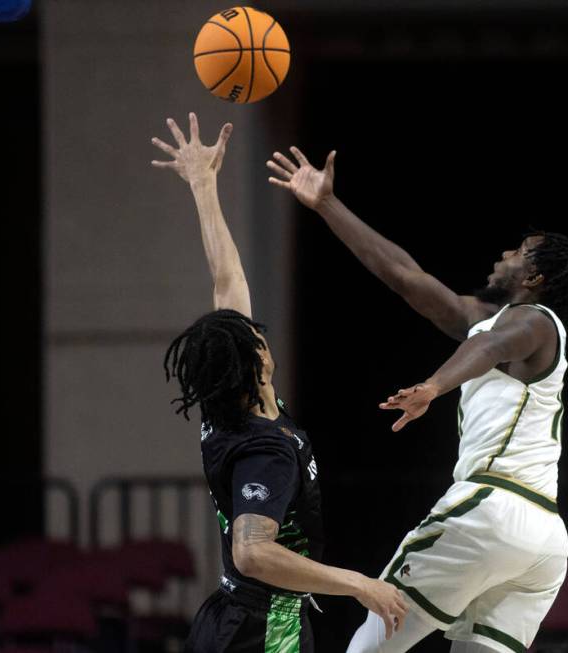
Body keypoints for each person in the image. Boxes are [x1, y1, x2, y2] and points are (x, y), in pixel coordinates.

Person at [266, 146, 568, 653]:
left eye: (518, 252)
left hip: (492, 509)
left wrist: (433, 387)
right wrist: (328, 205)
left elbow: (486, 348)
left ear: (534, 279)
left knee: (368, 648)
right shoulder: (493, 319)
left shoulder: (537, 321)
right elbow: (405, 277)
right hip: (542, 539)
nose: (504, 254)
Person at [152, 113, 408, 653]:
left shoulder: (228, 398)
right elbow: (252, 552)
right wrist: (359, 583)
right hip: (263, 627)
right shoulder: (264, 447)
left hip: (229, 615)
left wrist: (203, 185)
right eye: (254, 339)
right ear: (258, 364)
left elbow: (227, 279)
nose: (257, 331)